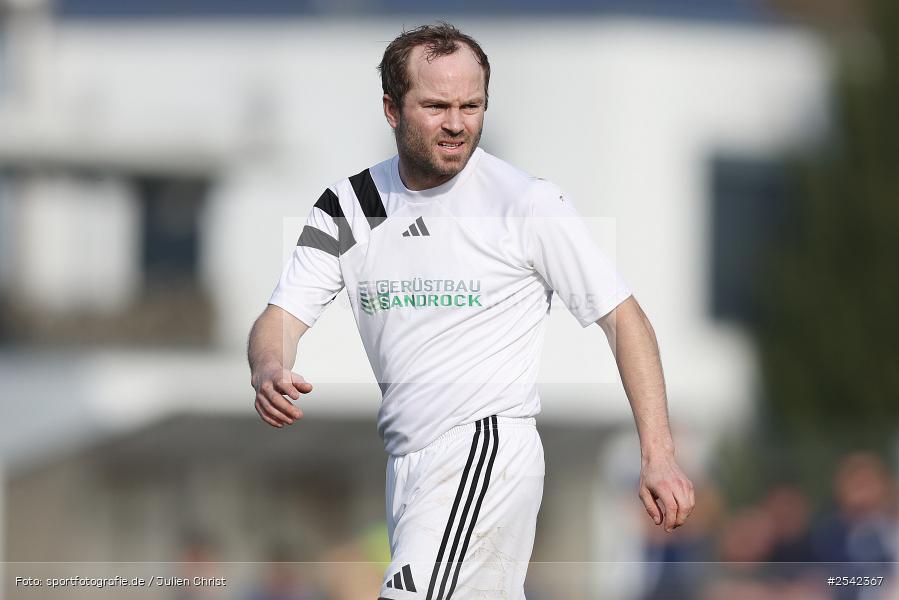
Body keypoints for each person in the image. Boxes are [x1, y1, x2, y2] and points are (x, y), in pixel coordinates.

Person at [247, 22, 694, 600]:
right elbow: (280, 318)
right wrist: (268, 367)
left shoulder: (524, 204)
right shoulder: (352, 206)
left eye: (471, 105)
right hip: (406, 465)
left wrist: (658, 456)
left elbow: (624, 320)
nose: (457, 123)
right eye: (436, 106)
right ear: (392, 108)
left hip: (483, 450)